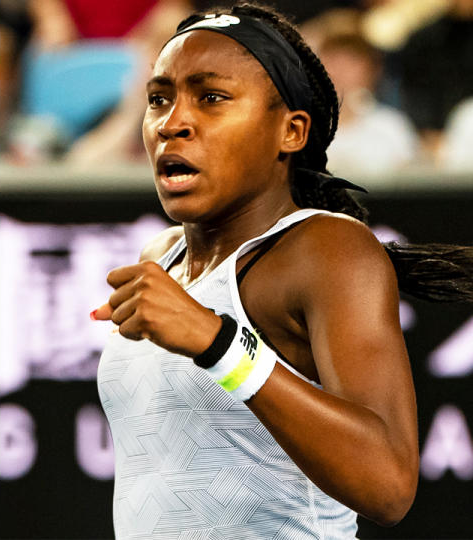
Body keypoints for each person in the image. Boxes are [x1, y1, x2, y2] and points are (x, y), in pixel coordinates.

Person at [92, 2, 473, 537]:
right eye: (159, 99)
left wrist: (218, 343)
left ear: (290, 132)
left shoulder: (328, 249)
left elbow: (387, 485)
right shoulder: (159, 256)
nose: (172, 122)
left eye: (212, 98)